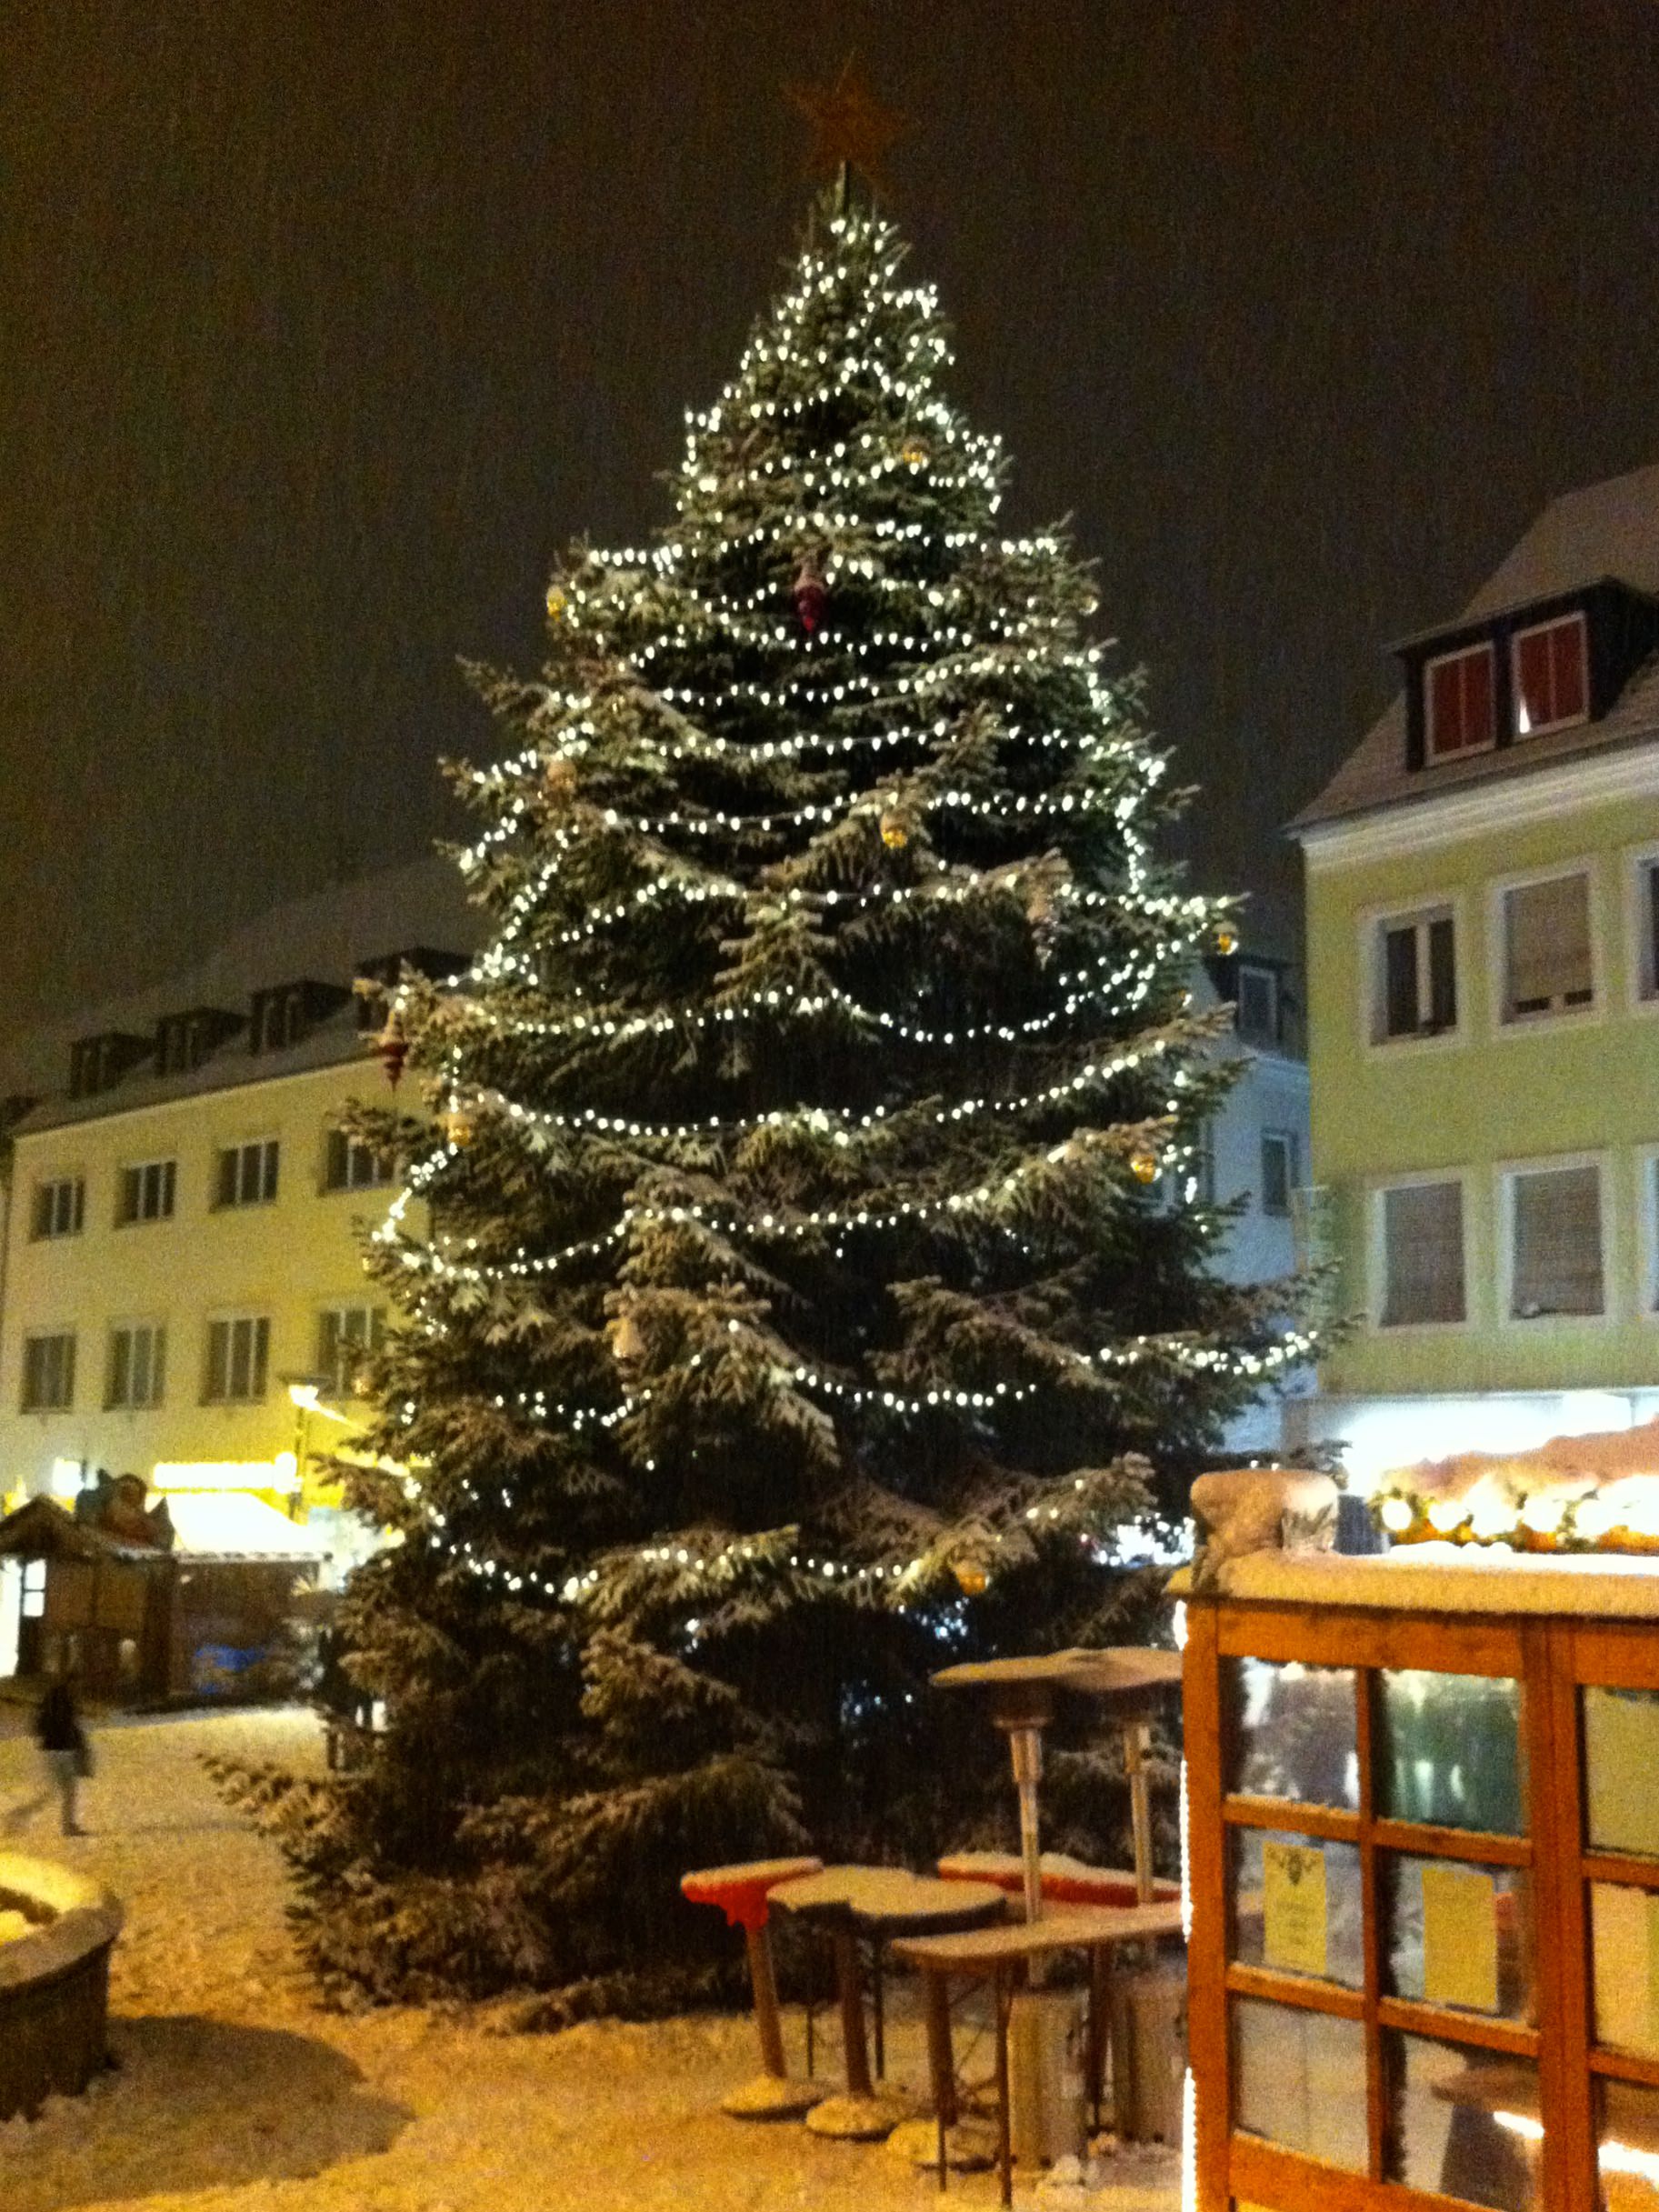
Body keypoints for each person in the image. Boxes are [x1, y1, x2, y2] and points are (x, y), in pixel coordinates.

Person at [5, 1677, 90, 1837]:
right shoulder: (65, 1703)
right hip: (62, 1751)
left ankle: (22, 1815)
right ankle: (67, 1825)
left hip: (51, 1751)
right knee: (67, 1790)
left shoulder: (51, 1702)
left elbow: (37, 1728)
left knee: (57, 1791)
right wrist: (79, 1748)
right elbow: (71, 1729)